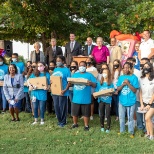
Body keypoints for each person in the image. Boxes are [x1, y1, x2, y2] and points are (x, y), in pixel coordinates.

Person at [71, 61, 96, 131]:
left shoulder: (89, 75)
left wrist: (91, 83)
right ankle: (75, 124)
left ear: (86, 67)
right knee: (74, 113)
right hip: (76, 98)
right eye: (80, 65)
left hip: (86, 98)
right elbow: (71, 83)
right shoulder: (75, 75)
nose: (82, 67)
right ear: (78, 67)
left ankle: (86, 125)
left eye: (83, 65)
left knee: (86, 114)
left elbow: (95, 85)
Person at [117, 62, 139, 137]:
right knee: (121, 116)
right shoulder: (121, 77)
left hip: (131, 101)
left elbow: (135, 90)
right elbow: (118, 89)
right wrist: (123, 84)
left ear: (130, 68)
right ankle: (122, 130)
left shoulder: (134, 77)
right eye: (124, 67)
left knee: (130, 118)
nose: (126, 69)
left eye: (128, 67)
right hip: (122, 101)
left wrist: (128, 84)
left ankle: (131, 132)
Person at [51, 56, 71, 127]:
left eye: (59, 60)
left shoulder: (67, 70)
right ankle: (59, 120)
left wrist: (65, 90)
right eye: (57, 61)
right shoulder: (55, 69)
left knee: (62, 106)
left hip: (63, 92)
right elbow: (53, 79)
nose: (58, 62)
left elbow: (69, 82)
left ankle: (63, 121)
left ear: (63, 61)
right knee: (56, 106)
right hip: (55, 92)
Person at [95, 68, 114, 133]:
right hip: (101, 101)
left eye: (106, 72)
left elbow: (112, 92)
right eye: (103, 72)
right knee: (101, 114)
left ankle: (108, 127)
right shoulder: (99, 83)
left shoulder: (110, 83)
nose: (104, 74)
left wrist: (109, 93)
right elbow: (96, 92)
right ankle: (102, 126)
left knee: (108, 114)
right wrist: (96, 95)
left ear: (108, 74)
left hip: (108, 101)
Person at [139, 62, 154, 140]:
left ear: (151, 68)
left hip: (152, 102)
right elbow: (140, 92)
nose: (145, 68)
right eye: (144, 66)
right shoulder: (141, 79)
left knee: (147, 118)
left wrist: (149, 104)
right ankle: (148, 133)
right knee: (146, 119)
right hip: (144, 101)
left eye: (147, 66)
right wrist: (142, 104)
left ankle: (152, 136)